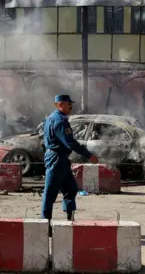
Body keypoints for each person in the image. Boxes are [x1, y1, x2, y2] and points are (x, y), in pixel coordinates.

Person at [41, 94, 98, 225]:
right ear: (60, 105)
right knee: (50, 193)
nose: (71, 106)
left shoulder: (55, 117)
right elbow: (70, 143)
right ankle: (44, 224)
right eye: (68, 104)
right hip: (56, 159)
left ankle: (69, 220)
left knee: (71, 189)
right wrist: (88, 155)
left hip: (61, 158)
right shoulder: (60, 121)